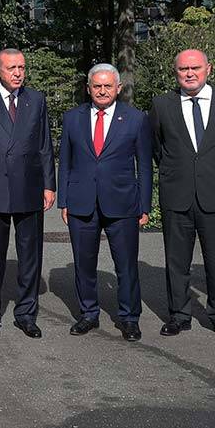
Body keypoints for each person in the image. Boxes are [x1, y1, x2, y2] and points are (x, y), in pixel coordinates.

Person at [149, 50, 215, 342]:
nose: (189, 73)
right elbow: (157, 147)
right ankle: (179, 315)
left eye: (195, 68)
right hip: (177, 194)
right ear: (174, 72)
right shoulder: (161, 104)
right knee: (176, 261)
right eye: (183, 69)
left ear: (208, 69)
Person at [0, 48, 55, 340]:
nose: (18, 72)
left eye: (21, 67)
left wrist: (49, 184)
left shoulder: (36, 100)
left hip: (29, 187)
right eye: (11, 68)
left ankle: (26, 314)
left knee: (31, 256)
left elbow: (44, 146)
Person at [58, 63, 152, 341]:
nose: (102, 91)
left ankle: (129, 317)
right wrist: (64, 200)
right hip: (81, 202)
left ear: (118, 88)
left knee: (126, 265)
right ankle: (88, 313)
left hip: (123, 204)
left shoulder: (135, 119)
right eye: (96, 86)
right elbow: (65, 162)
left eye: (107, 86)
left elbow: (144, 166)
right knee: (84, 263)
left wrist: (144, 205)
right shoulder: (72, 118)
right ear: (88, 89)